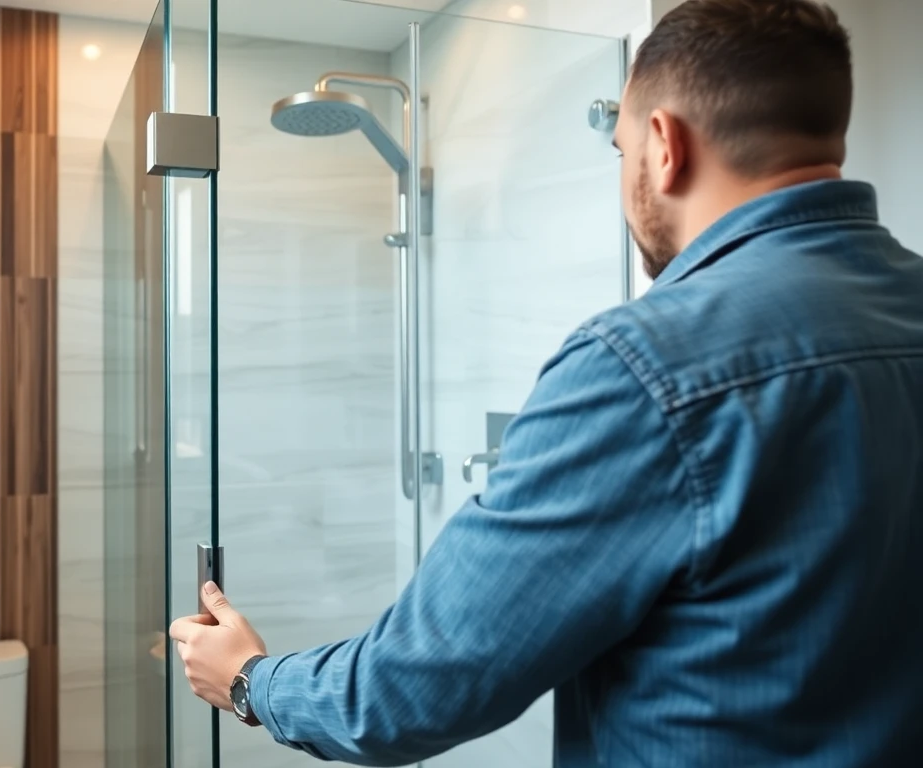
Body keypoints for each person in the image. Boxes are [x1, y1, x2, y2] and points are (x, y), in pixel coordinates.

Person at [168, 0, 923, 765]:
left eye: (621, 149)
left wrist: (249, 680)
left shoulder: (645, 365)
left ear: (664, 146)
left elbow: (411, 688)